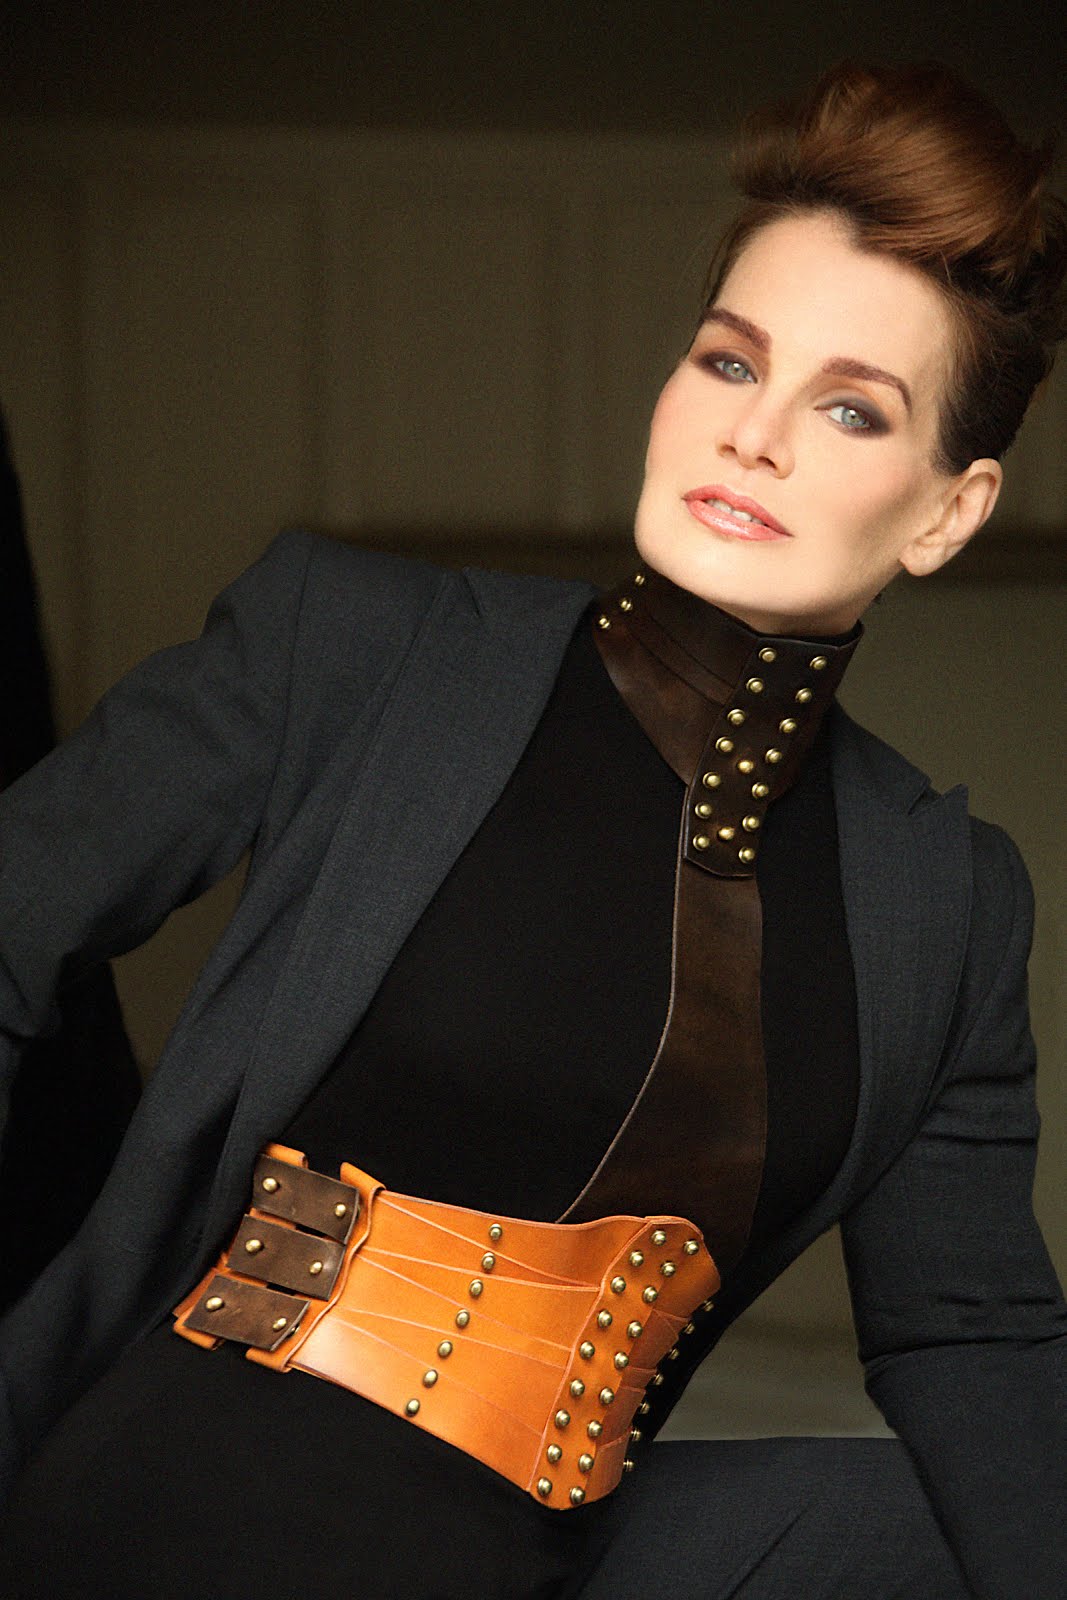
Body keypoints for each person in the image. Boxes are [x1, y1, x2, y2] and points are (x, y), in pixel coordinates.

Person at [0, 57, 1065, 1600]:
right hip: (205, 1488)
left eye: (850, 409)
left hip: (545, 1549)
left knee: (948, 1530)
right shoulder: (362, 645)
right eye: (728, 361)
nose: (756, 434)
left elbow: (973, 1337)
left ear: (948, 511)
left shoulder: (945, 900)